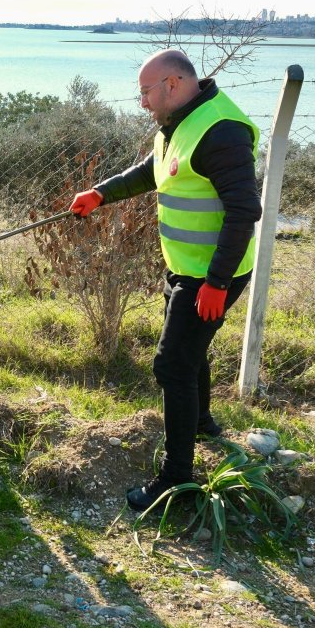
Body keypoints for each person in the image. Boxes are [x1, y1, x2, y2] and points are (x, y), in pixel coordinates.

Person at [69, 49, 263, 512]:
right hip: (186, 268)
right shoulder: (179, 123)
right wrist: (101, 193)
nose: (142, 103)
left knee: (172, 365)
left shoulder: (222, 130)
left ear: (172, 84)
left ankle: (177, 482)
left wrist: (216, 282)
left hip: (212, 273)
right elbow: (154, 173)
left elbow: (243, 212)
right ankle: (202, 424)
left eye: (145, 92)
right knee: (189, 353)